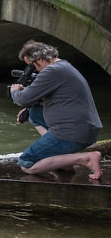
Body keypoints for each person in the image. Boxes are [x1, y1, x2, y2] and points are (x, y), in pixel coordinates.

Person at [10, 41, 103, 180]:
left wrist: (14, 91)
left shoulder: (52, 71)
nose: (34, 69)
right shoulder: (64, 66)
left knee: (27, 163)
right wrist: (29, 109)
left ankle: (85, 158)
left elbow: (22, 99)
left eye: (33, 64)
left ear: (40, 59)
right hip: (85, 128)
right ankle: (65, 162)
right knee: (35, 114)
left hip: (73, 133)